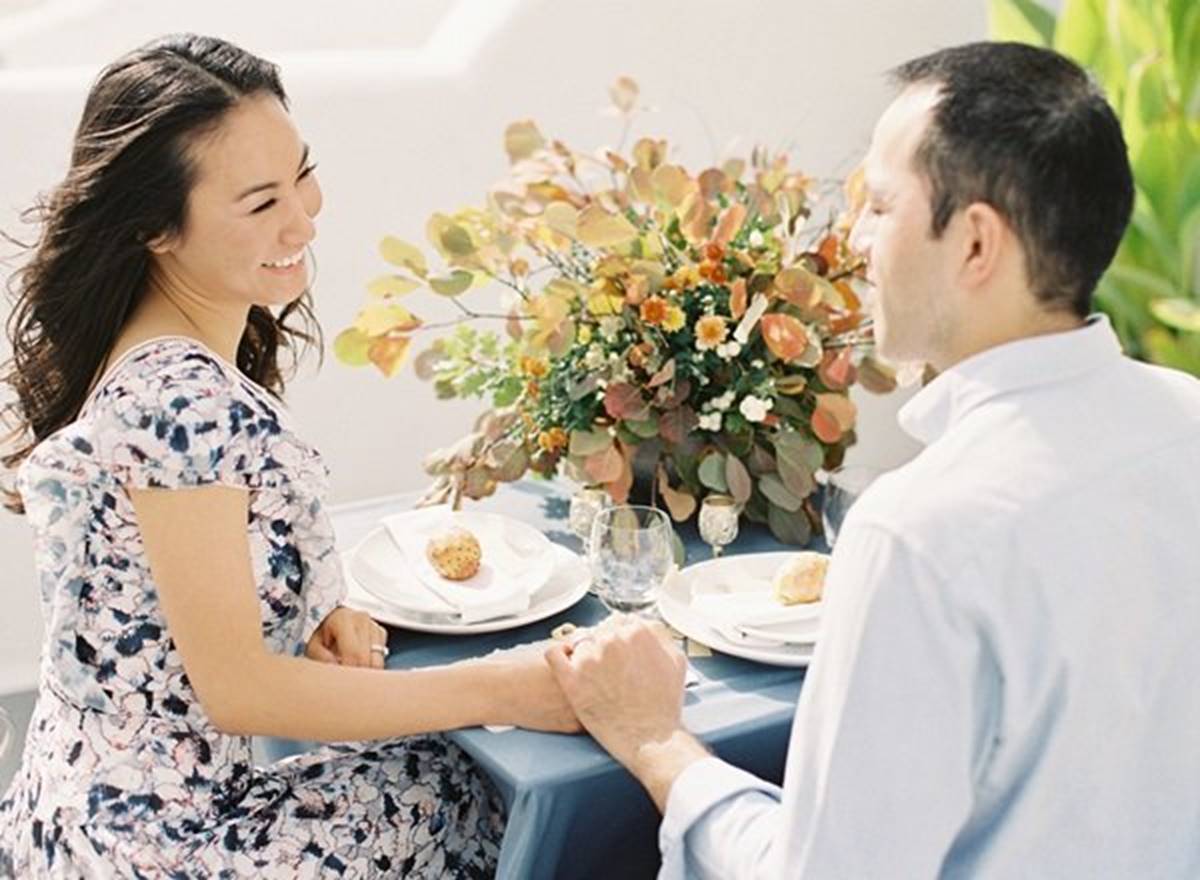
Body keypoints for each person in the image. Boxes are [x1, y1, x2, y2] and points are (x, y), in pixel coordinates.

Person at [547, 41, 1200, 878]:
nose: (854, 240)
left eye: (881, 207)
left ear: (975, 245)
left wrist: (656, 744)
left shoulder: (921, 532)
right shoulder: (1186, 420)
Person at [0, 34, 575, 878]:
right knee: (487, 789)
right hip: (159, 852)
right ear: (155, 227)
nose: (303, 220)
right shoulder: (183, 400)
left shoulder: (139, 353)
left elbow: (156, 606)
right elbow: (240, 691)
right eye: (260, 202)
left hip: (70, 818)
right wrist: (510, 686)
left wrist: (308, 611)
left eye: (302, 175)